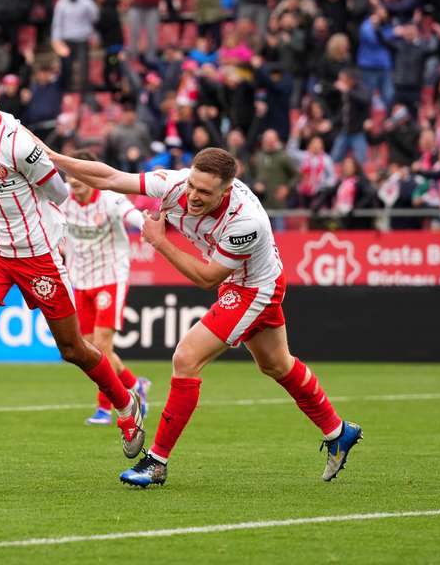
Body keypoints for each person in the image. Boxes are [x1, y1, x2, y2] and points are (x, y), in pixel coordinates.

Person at [40, 145, 362, 488]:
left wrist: (160, 242)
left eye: (204, 192)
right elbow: (110, 177)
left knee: (186, 357)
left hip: (255, 288)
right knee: (276, 365)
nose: (192, 196)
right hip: (239, 282)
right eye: (192, 185)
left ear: (227, 189)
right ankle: (338, 431)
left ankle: (157, 462)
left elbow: (207, 278)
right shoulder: (176, 184)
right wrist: (53, 157)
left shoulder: (246, 221)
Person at [0, 61, 146, 482]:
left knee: (73, 348)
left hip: (37, 253)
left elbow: (59, 192)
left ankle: (125, 403)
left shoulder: (21, 144)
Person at [62, 154, 150, 426]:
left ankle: (105, 408)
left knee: (101, 346)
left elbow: (130, 213)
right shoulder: (62, 196)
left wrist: (146, 225)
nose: (74, 181)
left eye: (80, 175)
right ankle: (135, 385)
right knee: (89, 350)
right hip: (81, 278)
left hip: (110, 276)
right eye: (70, 175)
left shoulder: (110, 199)